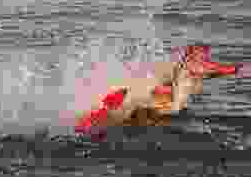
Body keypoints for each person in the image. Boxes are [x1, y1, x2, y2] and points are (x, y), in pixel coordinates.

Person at [80, 45, 240, 130]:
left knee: (136, 116)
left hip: (161, 110)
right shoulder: (189, 67)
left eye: (205, 56)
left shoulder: (191, 71)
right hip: (159, 106)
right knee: (135, 105)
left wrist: (233, 70)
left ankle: (104, 120)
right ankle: (100, 114)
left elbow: (214, 72)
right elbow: (219, 70)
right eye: (201, 55)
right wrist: (236, 69)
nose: (205, 60)